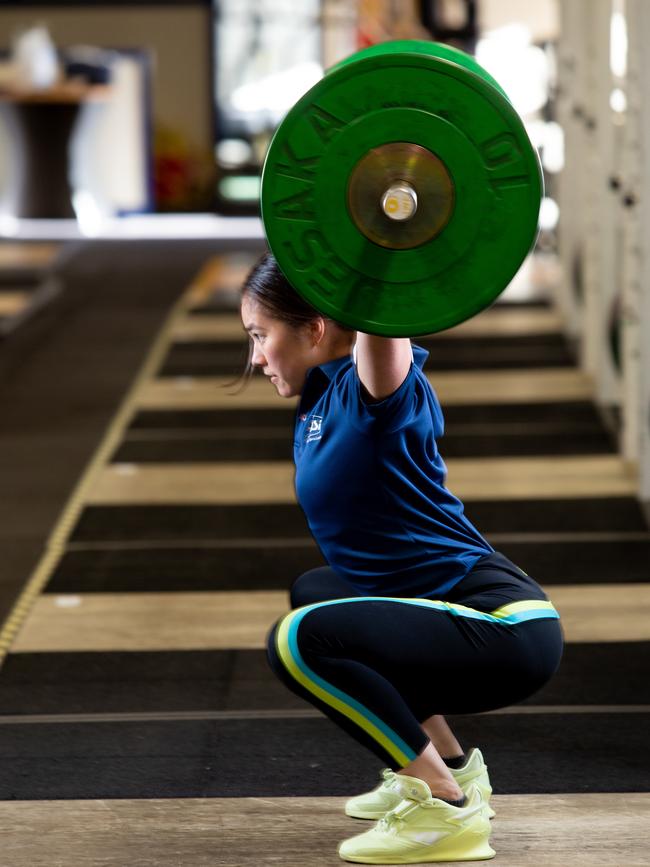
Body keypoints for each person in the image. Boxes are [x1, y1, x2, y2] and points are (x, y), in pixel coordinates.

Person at [239, 251, 563, 864]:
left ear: (314, 328)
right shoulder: (323, 398)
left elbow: (383, 321)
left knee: (298, 641)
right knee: (317, 591)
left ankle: (441, 808)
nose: (255, 357)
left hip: (505, 629)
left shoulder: (374, 390)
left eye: (261, 336)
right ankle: (454, 768)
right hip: (462, 616)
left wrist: (378, 232)